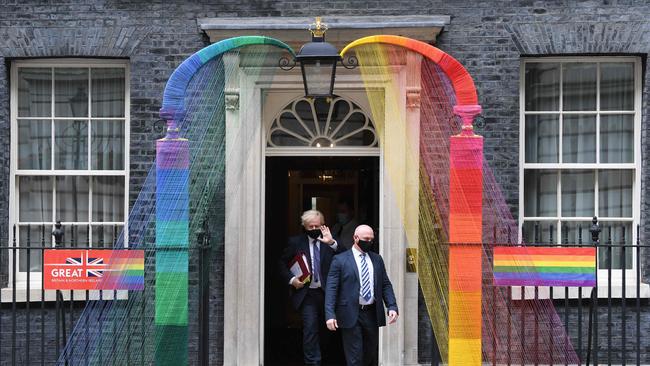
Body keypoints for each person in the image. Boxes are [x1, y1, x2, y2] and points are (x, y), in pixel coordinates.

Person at [324, 225, 398, 366]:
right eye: (366, 239)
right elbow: (331, 289)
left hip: (371, 313)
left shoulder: (377, 259)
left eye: (371, 239)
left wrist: (392, 306)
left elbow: (385, 284)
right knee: (354, 357)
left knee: (369, 353)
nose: (369, 242)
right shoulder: (340, 260)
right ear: (355, 238)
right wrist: (330, 315)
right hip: (350, 313)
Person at [279, 209, 340, 366]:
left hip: (327, 294)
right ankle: (313, 362)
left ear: (322, 226)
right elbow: (281, 263)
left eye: (317, 226)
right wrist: (292, 280)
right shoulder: (295, 242)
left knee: (327, 329)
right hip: (307, 294)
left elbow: (346, 257)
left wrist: (332, 243)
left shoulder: (329, 241)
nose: (314, 230)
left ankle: (326, 357)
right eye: (310, 227)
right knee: (310, 328)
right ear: (304, 227)